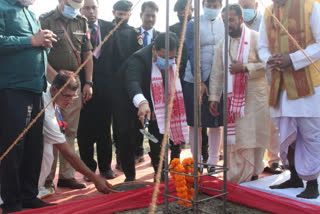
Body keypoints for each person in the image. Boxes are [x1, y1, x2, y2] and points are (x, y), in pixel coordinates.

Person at [258, 0, 320, 199]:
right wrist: (270, 59)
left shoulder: (312, 6)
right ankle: (293, 176)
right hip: (280, 84)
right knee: (285, 132)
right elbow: (262, 46)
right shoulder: (268, 12)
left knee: (310, 134)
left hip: (309, 84)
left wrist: (293, 59)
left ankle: (312, 183)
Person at [0, 0, 57, 212]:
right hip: (12, 88)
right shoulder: (2, 8)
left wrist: (45, 45)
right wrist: (32, 40)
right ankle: (12, 202)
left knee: (34, 145)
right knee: (14, 146)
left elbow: (33, 45)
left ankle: (28, 195)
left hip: (36, 88)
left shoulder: (31, 14)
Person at [209, 4, 271, 183]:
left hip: (255, 97)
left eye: (231, 20)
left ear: (241, 20)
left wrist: (244, 68)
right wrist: (213, 97)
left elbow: (267, 65)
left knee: (254, 136)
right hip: (233, 101)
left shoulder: (256, 38)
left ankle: (253, 173)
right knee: (237, 138)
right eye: (224, 20)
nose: (227, 24)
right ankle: (236, 176)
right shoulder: (222, 44)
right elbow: (217, 72)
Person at [40, 0, 93, 190]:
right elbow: (40, 55)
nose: (75, 9)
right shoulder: (45, 20)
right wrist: (58, 82)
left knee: (69, 130)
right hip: (52, 84)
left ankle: (66, 175)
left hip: (74, 84)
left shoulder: (82, 21)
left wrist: (88, 82)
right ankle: (46, 179)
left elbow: (87, 52)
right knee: (51, 133)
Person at [38, 72, 112, 198]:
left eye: (74, 96)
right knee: (46, 155)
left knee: (48, 153)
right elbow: (69, 154)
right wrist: (95, 179)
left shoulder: (53, 93)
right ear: (54, 90)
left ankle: (36, 188)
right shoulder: (46, 110)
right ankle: (30, 190)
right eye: (67, 96)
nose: (71, 101)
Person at [126, 32, 188, 180]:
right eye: (164, 57)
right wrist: (144, 103)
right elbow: (133, 82)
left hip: (169, 101)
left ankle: (174, 165)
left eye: (172, 58)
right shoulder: (140, 58)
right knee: (154, 138)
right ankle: (158, 171)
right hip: (141, 100)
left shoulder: (178, 56)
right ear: (154, 49)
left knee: (174, 133)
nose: (168, 61)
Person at [99, 0, 143, 182]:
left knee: (124, 130)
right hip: (102, 86)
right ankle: (103, 167)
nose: (121, 15)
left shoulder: (134, 33)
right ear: (113, 11)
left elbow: (136, 59)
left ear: (130, 14)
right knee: (102, 129)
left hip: (122, 89)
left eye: (125, 13)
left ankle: (128, 171)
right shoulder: (103, 28)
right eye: (119, 12)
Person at [238, 0, 282, 175]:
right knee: (246, 121)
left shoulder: (267, 21)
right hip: (243, 81)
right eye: (242, 6)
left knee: (272, 121)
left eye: (248, 6)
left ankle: (274, 159)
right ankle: (247, 161)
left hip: (267, 78)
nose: (245, 10)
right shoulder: (235, 24)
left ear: (256, 6)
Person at [78, 0, 116, 182]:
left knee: (104, 128)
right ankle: (89, 169)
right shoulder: (75, 27)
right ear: (80, 9)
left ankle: (106, 167)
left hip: (107, 88)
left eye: (94, 7)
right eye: (86, 8)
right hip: (82, 86)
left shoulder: (110, 27)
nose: (91, 11)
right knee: (84, 130)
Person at [184, 0, 224, 172]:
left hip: (219, 79)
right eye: (210, 5)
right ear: (202, 5)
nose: (212, 9)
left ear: (221, 6)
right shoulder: (193, 24)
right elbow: (193, 51)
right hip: (195, 78)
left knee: (216, 121)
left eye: (216, 6)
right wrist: (199, 79)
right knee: (195, 122)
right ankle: (198, 161)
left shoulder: (225, 22)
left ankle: (213, 162)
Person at [134, 1, 161, 164]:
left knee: (155, 129)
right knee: (136, 126)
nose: (150, 19)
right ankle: (136, 152)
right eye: (147, 15)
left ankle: (156, 159)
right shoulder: (131, 34)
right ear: (141, 15)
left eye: (153, 16)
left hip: (154, 90)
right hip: (135, 89)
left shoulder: (162, 37)